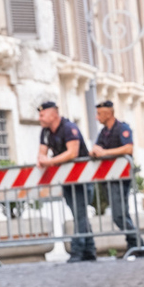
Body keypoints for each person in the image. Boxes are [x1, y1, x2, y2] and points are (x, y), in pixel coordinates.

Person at [37, 100, 95, 262]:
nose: (40, 118)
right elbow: (41, 153)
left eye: (43, 114)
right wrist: (41, 159)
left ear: (54, 113)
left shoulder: (69, 128)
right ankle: (90, 250)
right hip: (66, 178)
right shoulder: (46, 132)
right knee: (78, 214)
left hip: (82, 177)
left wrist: (49, 161)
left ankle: (77, 251)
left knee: (80, 213)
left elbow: (72, 153)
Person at [89, 100, 139, 252]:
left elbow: (129, 148)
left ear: (109, 113)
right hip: (109, 179)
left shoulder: (122, 128)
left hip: (121, 179)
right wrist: (95, 151)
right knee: (121, 214)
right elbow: (99, 147)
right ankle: (135, 244)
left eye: (99, 114)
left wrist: (105, 153)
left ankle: (137, 243)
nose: (97, 118)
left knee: (119, 215)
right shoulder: (104, 132)